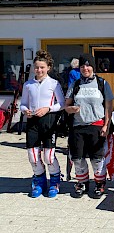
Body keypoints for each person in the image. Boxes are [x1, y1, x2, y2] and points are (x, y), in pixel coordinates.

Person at [65, 53, 114, 198]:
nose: (85, 68)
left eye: (88, 65)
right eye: (82, 66)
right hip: (78, 126)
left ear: (93, 67)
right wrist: (71, 109)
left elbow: (108, 107)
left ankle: (100, 183)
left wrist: (106, 125)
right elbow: (66, 106)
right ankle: (82, 182)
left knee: (96, 158)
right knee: (77, 157)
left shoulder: (102, 83)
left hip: (96, 124)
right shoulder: (75, 84)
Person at [20, 50, 65, 198]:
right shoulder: (28, 84)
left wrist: (48, 108)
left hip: (49, 122)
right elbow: (23, 104)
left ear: (48, 68)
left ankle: (54, 181)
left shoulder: (54, 83)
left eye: (42, 67)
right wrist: (25, 110)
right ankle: (39, 182)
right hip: (32, 122)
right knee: (33, 156)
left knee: (49, 157)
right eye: (36, 67)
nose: (39, 70)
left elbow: (62, 104)